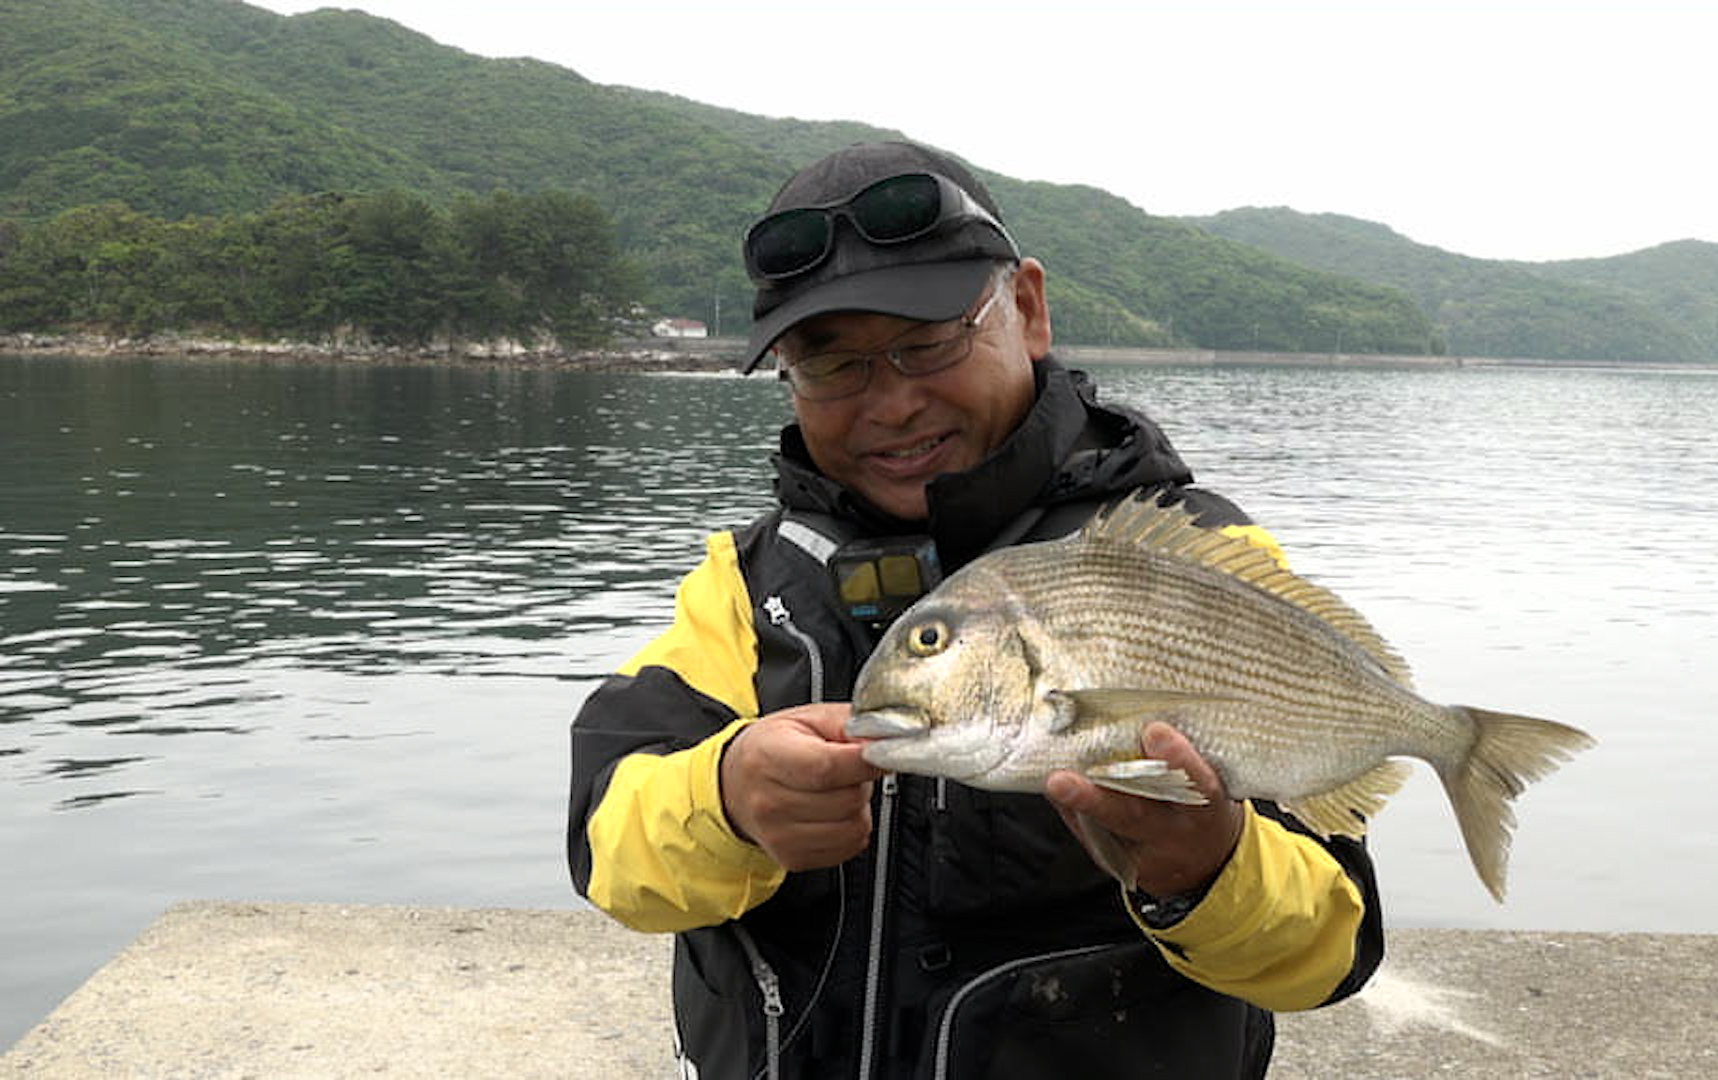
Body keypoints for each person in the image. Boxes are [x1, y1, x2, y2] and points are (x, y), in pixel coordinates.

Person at [567, 141, 1383, 1079]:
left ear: (1027, 310)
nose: (892, 404)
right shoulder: (751, 583)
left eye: (928, 344)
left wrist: (1207, 870)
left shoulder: (1203, 559)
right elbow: (610, 849)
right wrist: (726, 801)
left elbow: (1329, 950)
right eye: (832, 367)